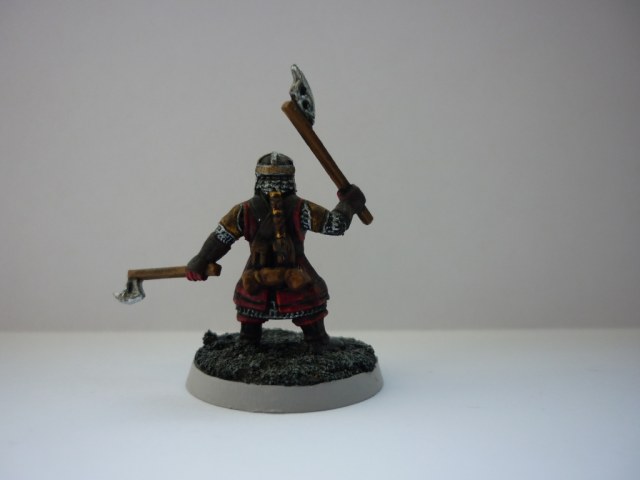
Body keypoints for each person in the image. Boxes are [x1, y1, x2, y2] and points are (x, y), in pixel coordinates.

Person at [185, 152, 366, 347]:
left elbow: (221, 238)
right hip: (276, 272)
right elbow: (335, 224)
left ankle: (311, 341)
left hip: (273, 273)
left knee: (265, 309)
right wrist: (350, 203)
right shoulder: (296, 208)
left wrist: (202, 259)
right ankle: (254, 343)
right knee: (301, 306)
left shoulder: (245, 210)